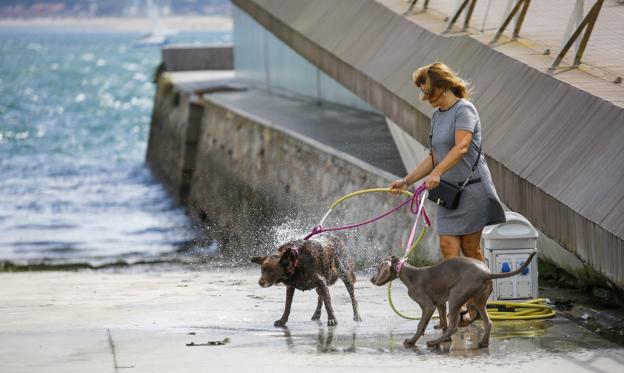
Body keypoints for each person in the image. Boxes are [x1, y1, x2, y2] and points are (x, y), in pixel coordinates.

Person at [389, 62, 506, 324]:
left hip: (473, 188)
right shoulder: (437, 115)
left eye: (427, 91)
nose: (425, 97)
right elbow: (433, 156)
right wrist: (407, 181)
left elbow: (462, 146)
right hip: (448, 192)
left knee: (471, 250)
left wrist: (438, 172)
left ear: (442, 87)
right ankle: (459, 306)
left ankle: (476, 307)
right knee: (447, 247)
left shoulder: (464, 110)